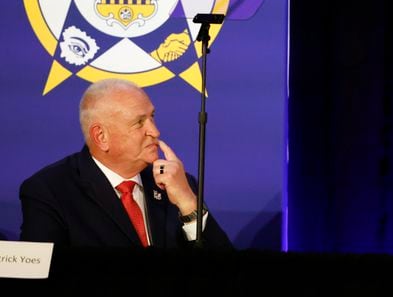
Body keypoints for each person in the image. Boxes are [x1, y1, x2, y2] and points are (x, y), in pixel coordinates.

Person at [19, 78, 233, 249]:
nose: (155, 132)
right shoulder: (50, 191)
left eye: (152, 117)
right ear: (101, 136)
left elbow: (226, 277)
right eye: (139, 122)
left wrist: (188, 204)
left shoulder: (178, 185)